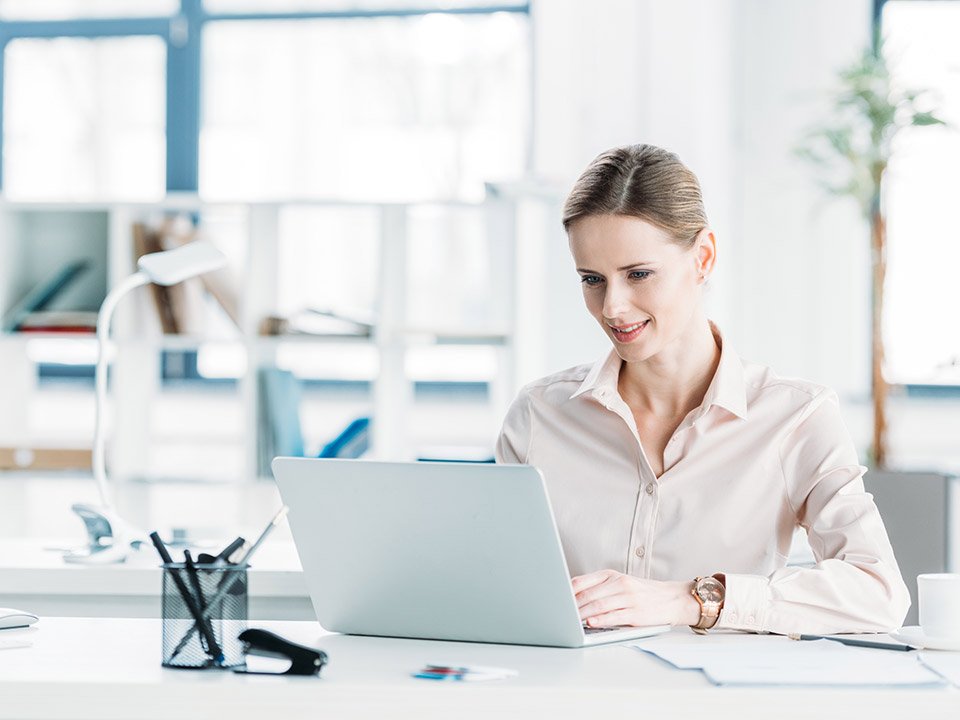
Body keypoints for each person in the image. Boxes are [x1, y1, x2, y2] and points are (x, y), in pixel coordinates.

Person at [495, 144, 909, 635]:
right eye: (592, 279)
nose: (613, 307)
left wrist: (691, 599)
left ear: (703, 258)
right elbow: (496, 587)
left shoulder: (795, 417)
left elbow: (877, 591)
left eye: (639, 274)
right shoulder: (540, 416)